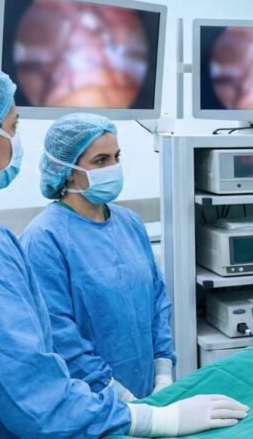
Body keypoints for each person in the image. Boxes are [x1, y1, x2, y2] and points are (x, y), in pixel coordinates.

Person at [0, 56, 247, 438]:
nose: (16, 141)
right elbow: (32, 391)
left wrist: (161, 374)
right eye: (12, 127)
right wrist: (152, 420)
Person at [20, 113, 173, 403]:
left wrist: (163, 371)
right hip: (89, 400)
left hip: (147, 387)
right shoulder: (44, 238)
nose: (113, 168)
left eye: (117, 157)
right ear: (67, 170)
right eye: (101, 161)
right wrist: (116, 394)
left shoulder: (130, 223)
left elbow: (157, 301)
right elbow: (58, 333)